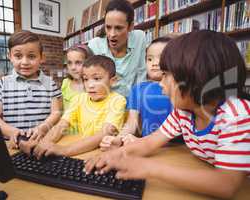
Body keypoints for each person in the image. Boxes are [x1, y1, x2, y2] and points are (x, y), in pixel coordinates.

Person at [84, 30, 250, 199]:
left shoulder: (236, 115)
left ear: (196, 76)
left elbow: (226, 185)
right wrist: (114, 155)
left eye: (166, 75)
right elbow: (150, 142)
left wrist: (150, 168)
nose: (161, 84)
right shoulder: (184, 111)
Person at [28, 55, 126, 158]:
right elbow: (62, 125)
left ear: (113, 81)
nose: (90, 85)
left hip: (105, 155)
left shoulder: (118, 100)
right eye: (86, 79)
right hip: (83, 151)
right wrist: (45, 143)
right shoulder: (78, 99)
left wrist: (65, 150)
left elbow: (105, 133)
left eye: (96, 79)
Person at [0, 30, 62, 149]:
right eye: (18, 56)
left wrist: (42, 128)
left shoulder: (50, 83)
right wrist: (11, 132)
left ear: (41, 57)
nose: (25, 62)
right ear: (10, 56)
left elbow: (56, 112)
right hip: (13, 144)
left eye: (31, 56)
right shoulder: (2, 83)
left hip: (41, 143)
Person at [100, 37, 173, 151]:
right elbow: (131, 123)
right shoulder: (137, 89)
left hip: (177, 148)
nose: (154, 63)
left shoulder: (178, 89)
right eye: (149, 59)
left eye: (161, 58)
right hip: (147, 147)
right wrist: (118, 139)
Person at [88, 0, 146, 97]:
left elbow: (141, 74)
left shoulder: (139, 38)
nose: (112, 34)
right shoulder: (94, 45)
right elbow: (90, 82)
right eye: (108, 27)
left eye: (118, 28)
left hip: (133, 103)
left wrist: (136, 105)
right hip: (105, 104)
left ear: (131, 26)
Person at [61, 45, 92, 110]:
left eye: (78, 63)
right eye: (69, 63)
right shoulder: (65, 82)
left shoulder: (93, 86)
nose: (73, 67)